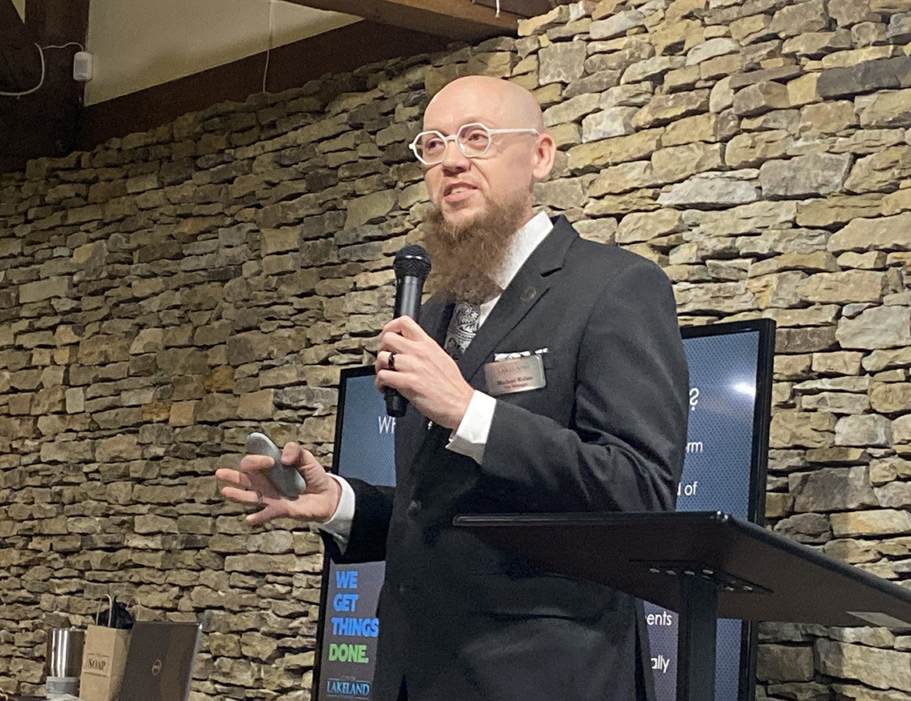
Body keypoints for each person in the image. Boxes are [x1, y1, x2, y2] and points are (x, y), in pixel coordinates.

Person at [217, 76, 689, 701]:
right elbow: (440, 511)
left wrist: (470, 411)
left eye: (477, 138)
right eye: (433, 145)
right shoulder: (439, 311)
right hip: (415, 673)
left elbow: (640, 489)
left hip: (545, 677)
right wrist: (338, 503)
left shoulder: (616, 287)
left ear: (540, 156)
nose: (452, 161)